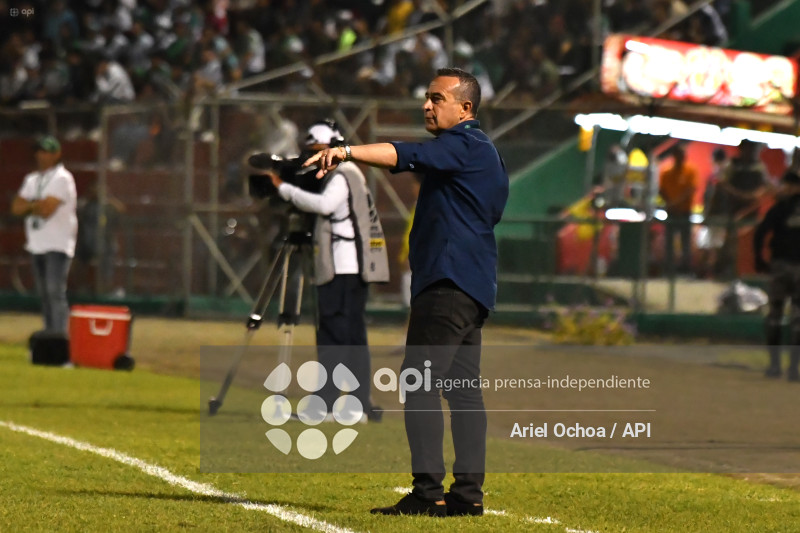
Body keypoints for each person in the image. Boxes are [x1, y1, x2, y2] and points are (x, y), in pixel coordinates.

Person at [304, 67, 509, 517]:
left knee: (418, 383)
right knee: (462, 390)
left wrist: (346, 151)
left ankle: (427, 492)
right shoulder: (486, 154)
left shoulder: (465, 144)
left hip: (448, 283)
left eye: (437, 98)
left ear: (466, 108)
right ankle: (467, 495)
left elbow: (407, 154)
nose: (427, 105)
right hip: (472, 285)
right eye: (427, 97)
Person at [267, 120, 388, 424]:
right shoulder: (349, 173)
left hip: (343, 267)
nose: (313, 157)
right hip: (348, 267)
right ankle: (357, 404)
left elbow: (324, 206)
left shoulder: (343, 174)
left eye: (317, 150)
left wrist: (284, 190)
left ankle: (332, 405)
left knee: (335, 335)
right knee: (351, 336)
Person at [10, 135, 78, 333]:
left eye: (46, 152)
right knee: (44, 294)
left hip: (57, 243)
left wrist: (29, 206)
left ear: (57, 154)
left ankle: (60, 336)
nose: (41, 156)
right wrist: (36, 206)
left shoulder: (62, 178)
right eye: (39, 151)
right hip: (37, 243)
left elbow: (47, 209)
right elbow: (16, 207)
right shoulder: (32, 179)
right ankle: (50, 333)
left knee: (55, 292)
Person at [753, 162, 800, 381]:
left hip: (780, 265)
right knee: (797, 320)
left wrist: (759, 259)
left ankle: (774, 367)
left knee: (775, 316)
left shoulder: (779, 208)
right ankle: (793, 369)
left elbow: (760, 233)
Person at [659, 145, 698, 275]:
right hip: (671, 212)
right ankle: (668, 269)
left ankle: (686, 269)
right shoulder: (666, 172)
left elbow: (690, 190)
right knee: (669, 241)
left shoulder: (690, 171)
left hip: (685, 212)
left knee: (685, 242)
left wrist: (675, 203)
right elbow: (662, 190)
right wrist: (670, 204)